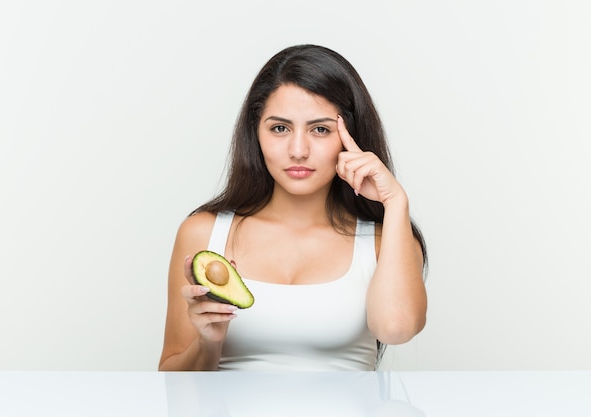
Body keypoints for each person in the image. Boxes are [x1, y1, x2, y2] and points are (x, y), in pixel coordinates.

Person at [158, 44, 427, 371]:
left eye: (320, 129)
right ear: (256, 133)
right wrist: (208, 342)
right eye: (280, 128)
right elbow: (172, 381)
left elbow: (396, 329)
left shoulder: (385, 241)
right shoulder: (203, 232)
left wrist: (395, 203)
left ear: (350, 137)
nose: (298, 150)